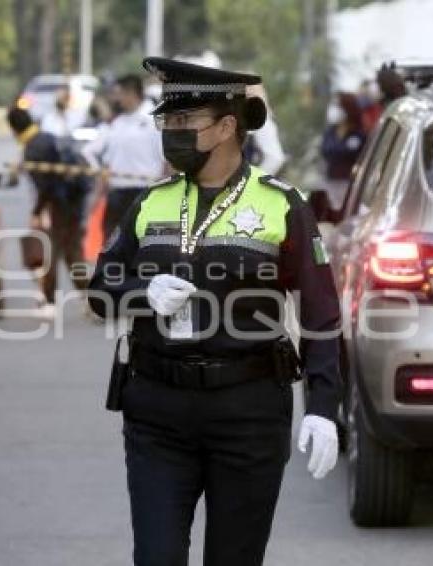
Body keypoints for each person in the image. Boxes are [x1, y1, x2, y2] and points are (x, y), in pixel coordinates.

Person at [87, 56, 342, 566]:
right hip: (157, 411)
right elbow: (101, 285)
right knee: (156, 557)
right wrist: (141, 292)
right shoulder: (150, 202)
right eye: (168, 123)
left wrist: (322, 407)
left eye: (184, 123)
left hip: (247, 411)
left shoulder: (281, 205)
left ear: (227, 127)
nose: (171, 134)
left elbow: (320, 311)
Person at [7, 107, 87, 318]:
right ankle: (89, 299)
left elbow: (46, 187)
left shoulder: (33, 148)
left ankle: (51, 302)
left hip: (60, 205)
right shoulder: (45, 137)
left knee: (52, 252)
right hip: (72, 202)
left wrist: (37, 212)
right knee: (71, 252)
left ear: (13, 129)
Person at [82, 74, 166, 238]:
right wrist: (96, 198)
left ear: (132, 94)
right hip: (117, 195)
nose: (116, 99)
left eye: (119, 94)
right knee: (112, 245)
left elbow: (167, 163)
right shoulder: (117, 124)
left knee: (143, 247)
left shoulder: (154, 122)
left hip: (146, 194)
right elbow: (108, 165)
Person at [320, 92, 366, 210]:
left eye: (337, 106)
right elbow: (325, 151)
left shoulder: (358, 134)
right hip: (331, 182)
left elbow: (355, 154)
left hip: (350, 185)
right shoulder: (331, 131)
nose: (334, 109)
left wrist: (340, 151)